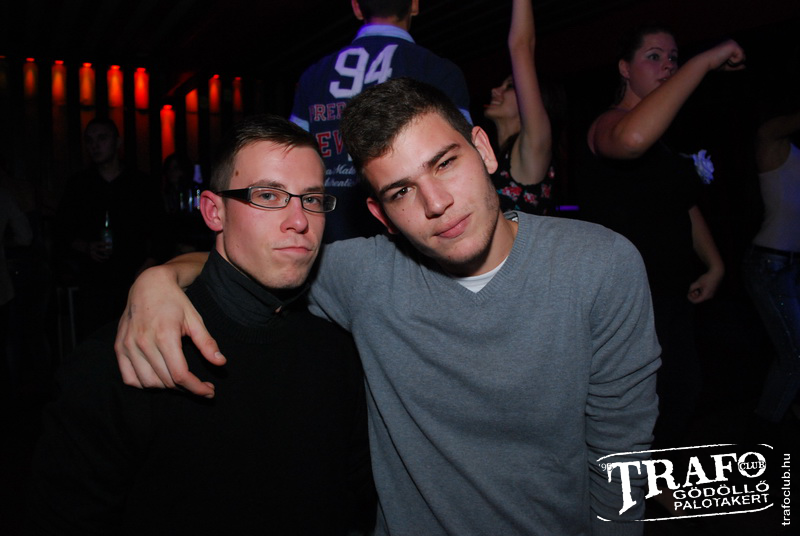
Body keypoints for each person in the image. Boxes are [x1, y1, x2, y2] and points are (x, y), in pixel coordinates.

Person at [116, 79, 660, 535]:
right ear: (380, 215)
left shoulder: (599, 265)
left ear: (484, 149)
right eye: (402, 192)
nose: (436, 203)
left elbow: (623, 456)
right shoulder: (366, 276)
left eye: (445, 163)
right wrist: (158, 278)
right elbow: (256, 257)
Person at [28, 115, 373, 535]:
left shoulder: (335, 353)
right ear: (213, 211)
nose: (299, 221)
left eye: (312, 199)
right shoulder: (126, 361)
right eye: (268, 195)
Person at [579, 27, 744, 448]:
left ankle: (648, 475)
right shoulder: (608, 123)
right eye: (654, 56)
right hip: (628, 295)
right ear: (624, 68)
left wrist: (715, 264)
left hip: (669, 291)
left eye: (673, 57)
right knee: (642, 405)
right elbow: (631, 139)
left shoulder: (665, 144)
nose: (668, 64)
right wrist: (704, 61)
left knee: (680, 393)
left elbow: (683, 205)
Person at [289, 0, 472, 242]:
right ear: (414, 5)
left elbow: (292, 161)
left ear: (357, 8)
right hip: (412, 239)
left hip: (328, 235)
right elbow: (467, 153)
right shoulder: (436, 70)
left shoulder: (313, 76)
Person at [55, 117, 167, 341]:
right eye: (89, 140)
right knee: (95, 341)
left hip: (134, 279)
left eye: (102, 138)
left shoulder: (141, 184)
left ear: (117, 142)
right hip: (93, 281)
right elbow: (62, 232)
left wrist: (148, 266)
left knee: (135, 340)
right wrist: (86, 247)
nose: (94, 145)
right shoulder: (78, 185)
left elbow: (162, 232)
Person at [743, 105, 800, 428]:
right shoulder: (772, 143)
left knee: (791, 350)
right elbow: (771, 129)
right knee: (795, 355)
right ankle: (761, 434)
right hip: (770, 265)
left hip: (792, 267)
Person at [484, 0, 553, 215]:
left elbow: (521, 47)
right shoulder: (490, 157)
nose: (495, 90)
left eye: (510, 86)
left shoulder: (533, 149)